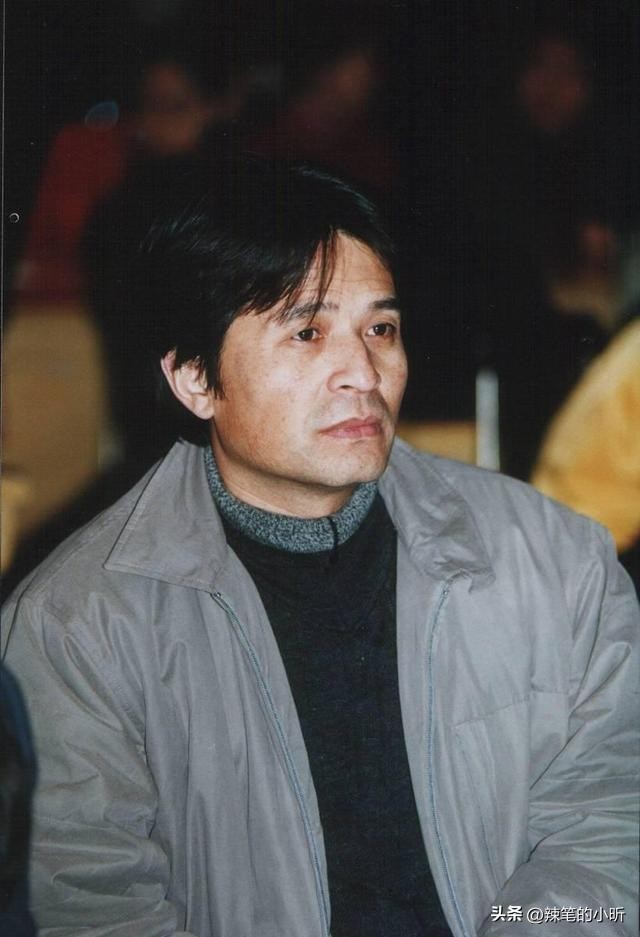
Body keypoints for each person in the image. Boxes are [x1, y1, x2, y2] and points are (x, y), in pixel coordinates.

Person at [2, 160, 638, 937]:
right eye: (307, 332)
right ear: (194, 377)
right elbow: (90, 904)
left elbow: (609, 824)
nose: (362, 372)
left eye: (381, 329)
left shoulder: (552, 558)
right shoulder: (78, 625)